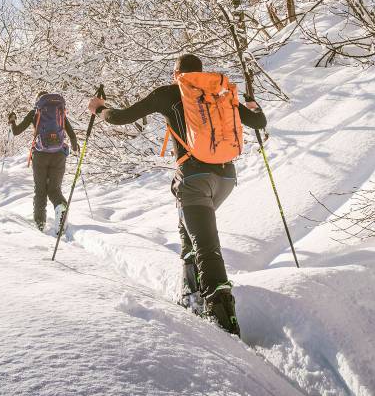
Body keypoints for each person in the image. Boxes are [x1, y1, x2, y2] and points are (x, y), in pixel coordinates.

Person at [87, 54, 266, 335]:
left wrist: (99, 109)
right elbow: (258, 122)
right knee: (190, 230)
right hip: (226, 177)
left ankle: (222, 317)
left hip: (194, 179)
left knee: (206, 245)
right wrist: (254, 108)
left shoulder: (169, 94)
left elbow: (120, 118)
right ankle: (191, 293)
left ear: (177, 74)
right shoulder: (217, 94)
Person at [9, 91, 80, 233]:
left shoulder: (35, 112)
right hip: (59, 155)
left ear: (38, 101)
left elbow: (16, 131)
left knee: (40, 191)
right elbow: (72, 135)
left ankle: (40, 223)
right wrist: (75, 148)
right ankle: (61, 209)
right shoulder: (60, 112)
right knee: (54, 189)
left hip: (40, 155)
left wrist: (12, 121)